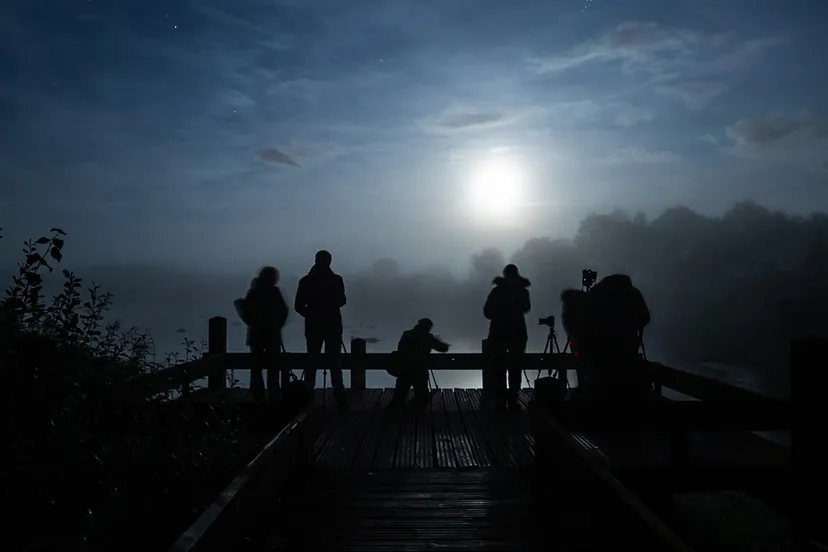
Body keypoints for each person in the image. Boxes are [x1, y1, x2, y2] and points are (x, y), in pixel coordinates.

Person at [578, 273, 651, 399]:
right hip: (627, 346)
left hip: (601, 349)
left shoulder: (598, 293)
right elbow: (645, 317)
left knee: (601, 383)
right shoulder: (632, 293)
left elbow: (585, 319)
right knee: (624, 382)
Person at [294, 250, 348, 410]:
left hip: (313, 326)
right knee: (334, 360)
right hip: (332, 325)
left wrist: (310, 314)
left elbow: (298, 306)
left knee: (312, 359)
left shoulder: (306, 281)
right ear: (329, 262)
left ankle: (308, 392)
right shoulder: (336, 280)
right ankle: (339, 393)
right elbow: (342, 301)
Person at [483, 264, 531, 412]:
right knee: (515, 367)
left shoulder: (497, 291)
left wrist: (499, 314)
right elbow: (526, 308)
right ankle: (513, 400)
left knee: (499, 367)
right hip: (517, 333)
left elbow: (487, 312)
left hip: (499, 333)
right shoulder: (522, 291)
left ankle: (500, 400)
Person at [244, 267, 288, 404]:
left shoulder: (253, 292)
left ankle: (258, 395)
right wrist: (277, 325)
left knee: (256, 367)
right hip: (272, 335)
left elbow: (246, 313)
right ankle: (273, 394)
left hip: (256, 335)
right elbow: (283, 311)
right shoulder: (274, 292)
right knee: (273, 367)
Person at [389, 318, 450, 409]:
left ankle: (392, 416)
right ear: (427, 327)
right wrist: (437, 340)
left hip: (404, 369)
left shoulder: (407, 334)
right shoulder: (427, 337)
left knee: (399, 396)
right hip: (420, 371)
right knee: (421, 398)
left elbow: (400, 349)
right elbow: (443, 349)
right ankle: (416, 417)